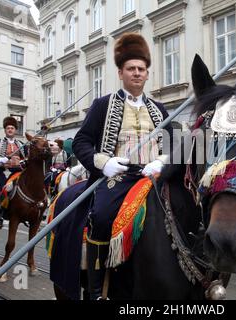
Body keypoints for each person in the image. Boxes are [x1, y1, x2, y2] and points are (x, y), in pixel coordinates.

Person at [72, 32, 172, 300]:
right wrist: (104, 164)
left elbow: (176, 145)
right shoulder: (103, 105)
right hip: (118, 176)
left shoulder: (160, 109)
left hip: (152, 176)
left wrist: (161, 161)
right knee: (102, 216)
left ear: (147, 74)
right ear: (120, 72)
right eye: (131, 69)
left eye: (141, 69)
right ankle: (94, 289)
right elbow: (81, 141)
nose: (137, 73)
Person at [0, 117, 26, 229]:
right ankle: (0, 214)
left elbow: (27, 157)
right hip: (2, 172)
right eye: (8, 128)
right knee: (4, 188)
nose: (10, 130)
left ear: (15, 130)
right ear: (5, 130)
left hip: (17, 172)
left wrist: (23, 161)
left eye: (12, 128)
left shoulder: (21, 144)